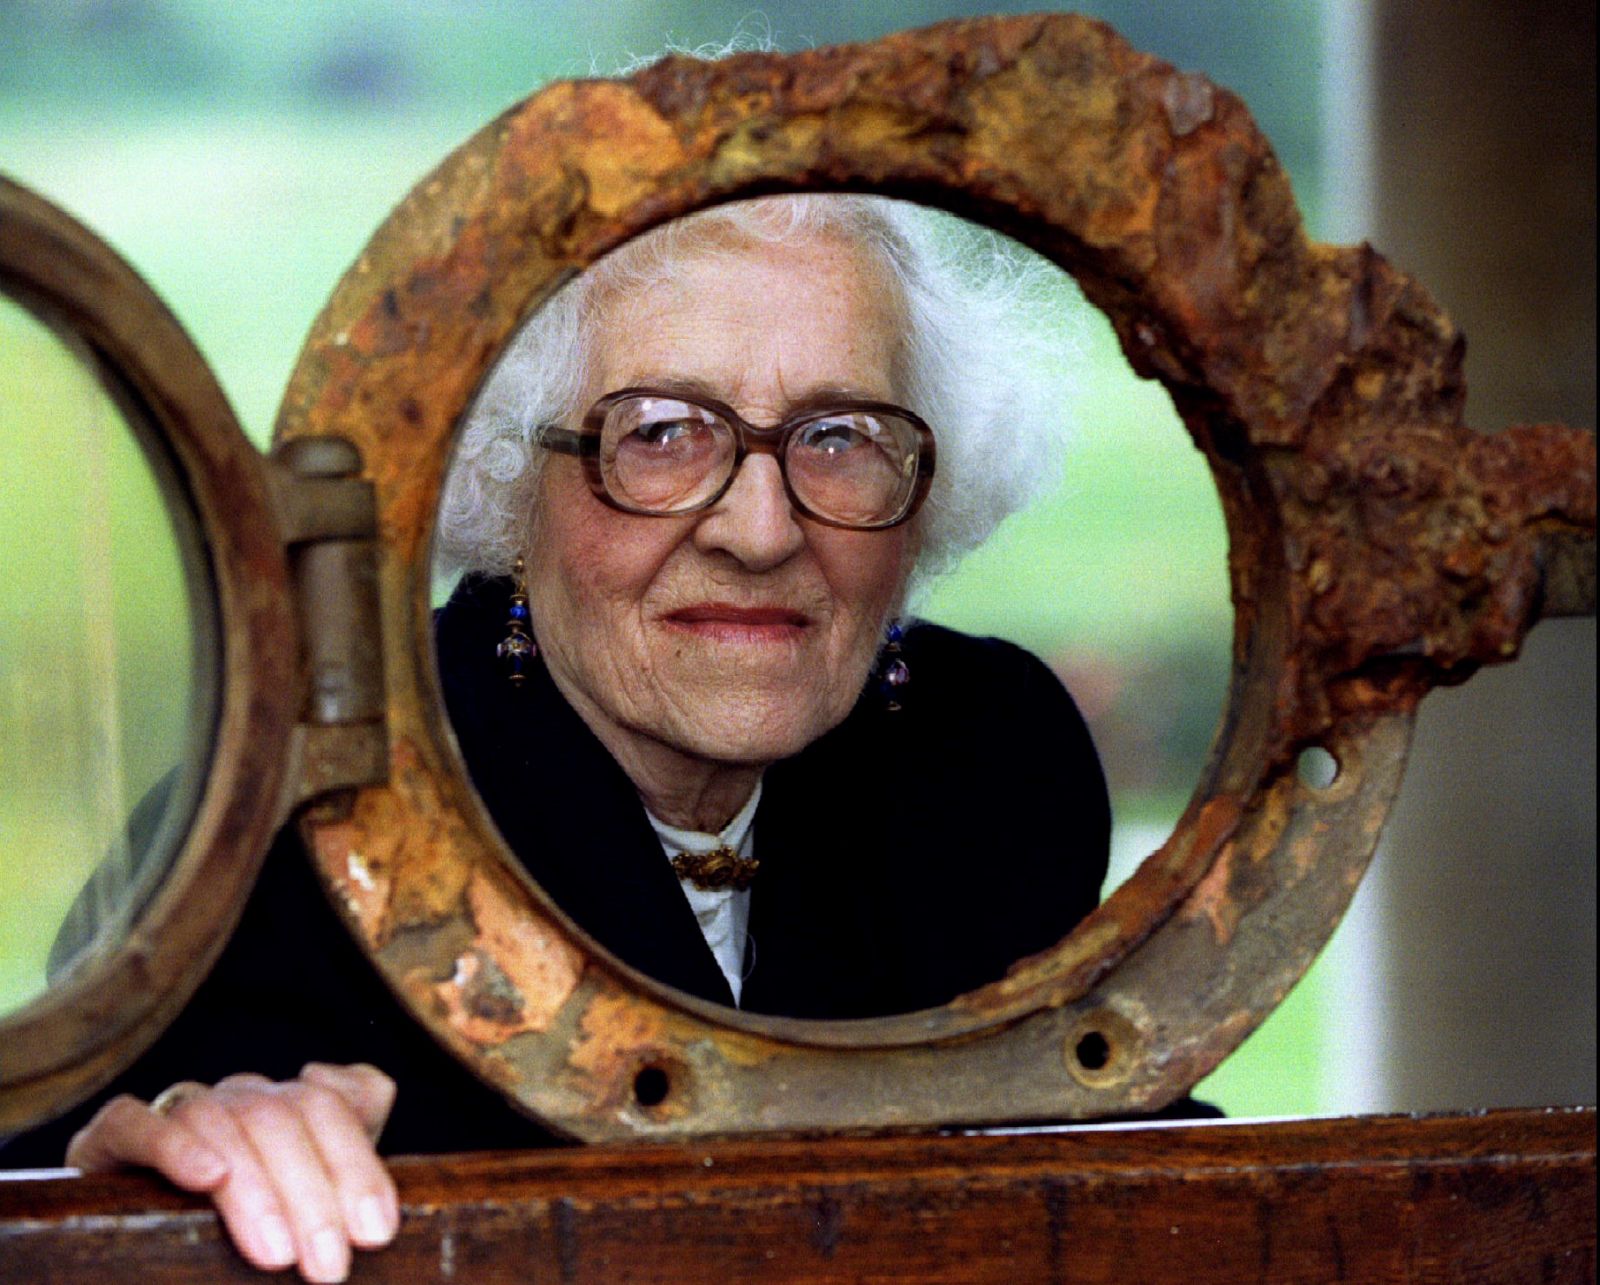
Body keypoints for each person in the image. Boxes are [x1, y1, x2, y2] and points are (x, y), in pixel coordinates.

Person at [1, 192, 1110, 1281]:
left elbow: (1135, 1166)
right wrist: (192, 1146)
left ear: (920, 499)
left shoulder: (992, 763)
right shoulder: (308, 817)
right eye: (662, 433)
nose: (761, 531)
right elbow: (83, 1166)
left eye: (838, 437)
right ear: (507, 482)